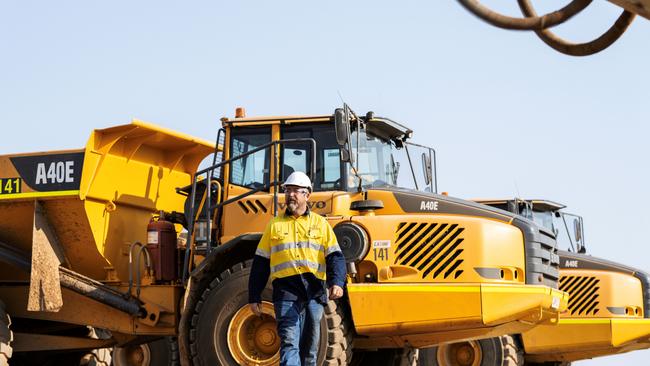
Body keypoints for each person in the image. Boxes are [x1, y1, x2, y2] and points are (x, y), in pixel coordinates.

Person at [248, 171, 347, 366]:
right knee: (288, 343)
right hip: (285, 291)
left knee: (310, 348)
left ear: (307, 195)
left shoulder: (321, 224)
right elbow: (260, 263)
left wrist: (337, 282)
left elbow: (336, 256)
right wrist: (254, 295)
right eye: (288, 190)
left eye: (295, 191)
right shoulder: (274, 225)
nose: (290, 195)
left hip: (314, 291)